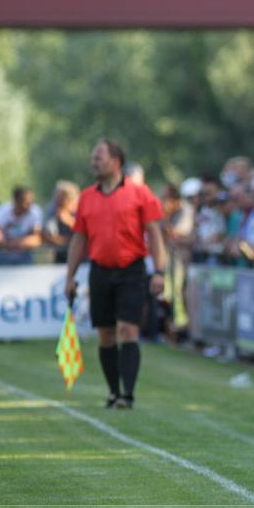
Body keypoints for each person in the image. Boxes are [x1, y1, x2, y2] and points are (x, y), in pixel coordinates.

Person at [64, 139, 168, 409]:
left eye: (98, 157)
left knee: (127, 329)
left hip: (131, 270)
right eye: (93, 158)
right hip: (99, 271)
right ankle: (113, 392)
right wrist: (70, 276)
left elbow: (155, 234)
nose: (93, 163)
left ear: (116, 161)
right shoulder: (87, 197)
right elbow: (79, 239)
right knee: (106, 334)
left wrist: (159, 271)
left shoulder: (140, 193)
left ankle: (127, 395)